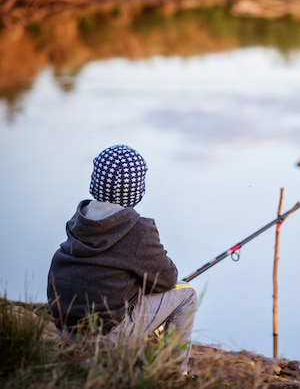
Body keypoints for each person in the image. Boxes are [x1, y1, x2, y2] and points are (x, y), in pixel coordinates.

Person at [47, 144, 197, 373]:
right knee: (187, 294)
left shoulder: (78, 221)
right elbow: (167, 279)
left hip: (66, 331)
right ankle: (175, 373)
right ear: (137, 189)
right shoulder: (138, 230)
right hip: (106, 339)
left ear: (95, 182)